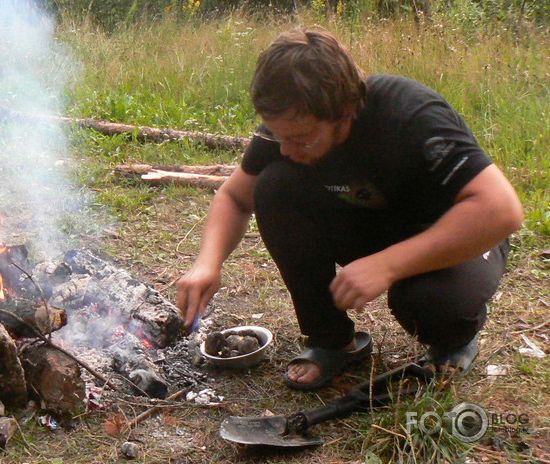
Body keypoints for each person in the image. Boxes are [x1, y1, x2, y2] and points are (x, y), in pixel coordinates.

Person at [176, 28, 523, 390]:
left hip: (456, 235)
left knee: (429, 306)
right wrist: (207, 263)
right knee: (275, 185)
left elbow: (501, 209)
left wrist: (387, 265)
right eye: (279, 136)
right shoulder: (295, 120)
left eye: (300, 139)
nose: (286, 148)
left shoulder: (410, 113)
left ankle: (455, 342)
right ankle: (332, 341)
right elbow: (234, 197)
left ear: (344, 111)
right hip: (381, 224)